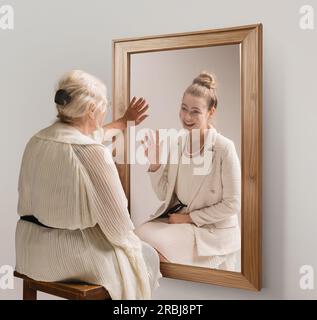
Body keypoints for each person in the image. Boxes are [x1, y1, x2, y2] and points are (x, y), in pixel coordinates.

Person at [15, 70, 162, 300]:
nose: (105, 112)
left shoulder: (37, 140)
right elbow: (118, 226)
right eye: (105, 107)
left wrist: (124, 122)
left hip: (30, 251)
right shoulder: (93, 152)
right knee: (147, 256)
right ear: (92, 110)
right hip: (69, 258)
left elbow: (85, 138)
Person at [135, 71, 241, 271]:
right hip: (180, 222)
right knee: (135, 238)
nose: (187, 117)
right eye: (183, 109)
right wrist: (155, 164)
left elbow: (233, 204)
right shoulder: (178, 143)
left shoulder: (223, 148)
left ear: (211, 112)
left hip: (210, 229)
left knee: (153, 246)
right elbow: (163, 195)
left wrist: (189, 218)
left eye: (195, 111)